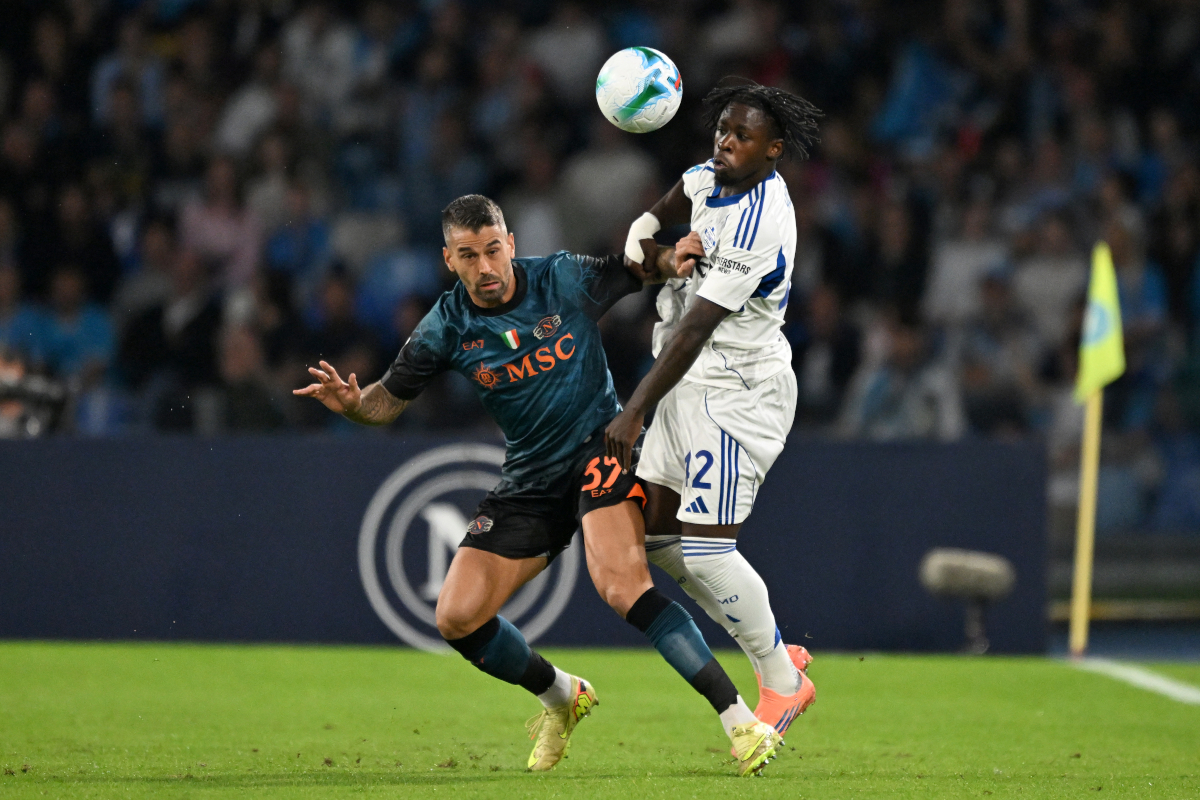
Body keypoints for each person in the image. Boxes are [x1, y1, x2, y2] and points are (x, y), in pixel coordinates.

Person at [295, 195, 782, 776]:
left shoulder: (560, 278)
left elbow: (632, 267)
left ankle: (741, 722)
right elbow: (385, 402)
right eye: (469, 255)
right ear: (449, 260)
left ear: (511, 245)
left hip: (602, 451)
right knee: (456, 617)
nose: (485, 267)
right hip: (530, 478)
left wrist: (670, 255)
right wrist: (354, 405)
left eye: (494, 250)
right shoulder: (445, 326)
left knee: (622, 587)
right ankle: (561, 696)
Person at [607, 80, 822, 739]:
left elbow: (697, 327)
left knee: (704, 551)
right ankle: (777, 651)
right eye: (723, 130)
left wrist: (634, 410)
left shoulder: (759, 222)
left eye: (743, 136)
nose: (726, 143)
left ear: (774, 150)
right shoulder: (705, 178)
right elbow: (645, 231)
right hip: (686, 384)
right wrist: (663, 251)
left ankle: (783, 685)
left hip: (736, 392)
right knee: (659, 540)